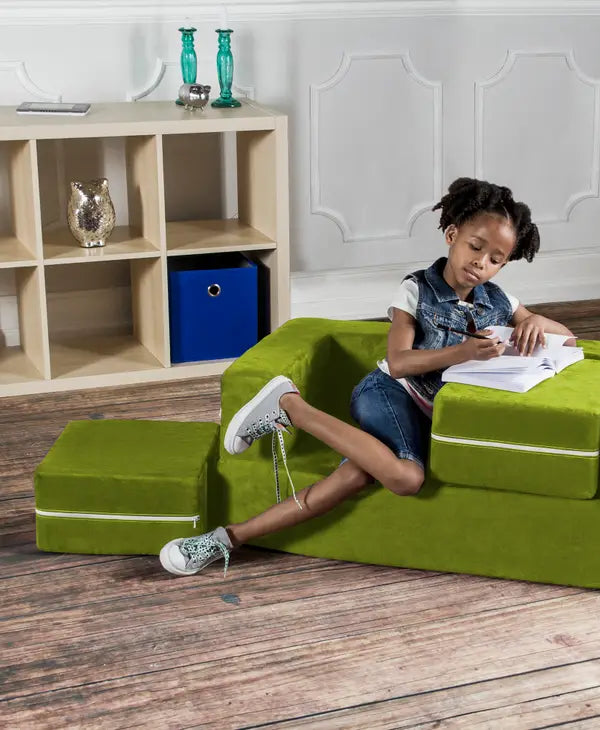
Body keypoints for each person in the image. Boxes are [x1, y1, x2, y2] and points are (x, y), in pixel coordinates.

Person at [159, 177, 575, 577]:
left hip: (430, 415)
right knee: (406, 477)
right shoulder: (416, 290)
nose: (481, 263)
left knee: (355, 475)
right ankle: (290, 405)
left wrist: (535, 319)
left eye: (496, 260)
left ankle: (226, 539)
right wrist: (461, 352)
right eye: (475, 247)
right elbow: (397, 362)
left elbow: (569, 342)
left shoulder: (499, 301)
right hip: (389, 393)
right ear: (451, 234)